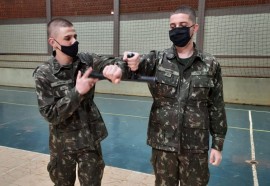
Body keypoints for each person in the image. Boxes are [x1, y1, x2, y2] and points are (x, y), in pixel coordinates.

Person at [123, 5, 227, 186]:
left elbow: (216, 105)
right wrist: (129, 61)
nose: (177, 29)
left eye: (182, 24)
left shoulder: (210, 64)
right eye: (172, 26)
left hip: (196, 146)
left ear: (194, 28)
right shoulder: (157, 59)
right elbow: (130, 66)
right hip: (163, 145)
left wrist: (217, 145)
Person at [33, 18, 128, 186]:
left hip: (89, 142)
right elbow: (50, 114)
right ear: (53, 42)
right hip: (62, 147)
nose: (74, 41)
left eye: (75, 36)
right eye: (68, 38)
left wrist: (117, 67)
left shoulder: (87, 61)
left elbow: (115, 61)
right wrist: (77, 92)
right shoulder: (44, 73)